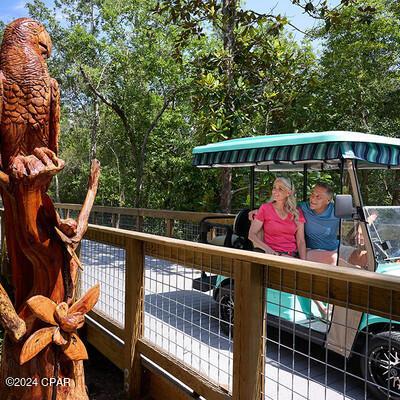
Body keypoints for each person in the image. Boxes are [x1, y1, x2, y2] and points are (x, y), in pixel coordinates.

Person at [248, 177, 306, 260]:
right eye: (274, 188)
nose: (275, 191)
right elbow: (251, 235)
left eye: (280, 189)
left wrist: (304, 263)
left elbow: (301, 241)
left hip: (291, 256)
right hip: (272, 255)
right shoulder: (265, 208)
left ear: (288, 193)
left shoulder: (297, 212)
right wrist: (268, 250)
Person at [299, 182, 340, 265]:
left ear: (328, 201)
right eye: (312, 194)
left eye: (318, 197)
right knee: (334, 259)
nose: (313, 199)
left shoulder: (337, 210)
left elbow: (364, 215)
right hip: (311, 250)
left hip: (335, 248)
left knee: (363, 256)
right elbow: (284, 207)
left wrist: (360, 227)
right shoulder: (303, 207)